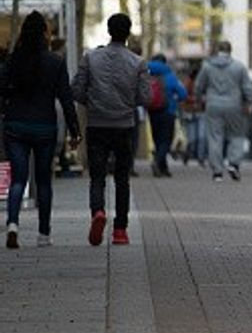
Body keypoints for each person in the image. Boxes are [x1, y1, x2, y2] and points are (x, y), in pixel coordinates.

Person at [1, 12, 81, 248]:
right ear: (45, 34)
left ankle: (13, 224)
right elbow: (66, 98)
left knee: (18, 179)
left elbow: (2, 89)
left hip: (15, 125)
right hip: (44, 127)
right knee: (44, 181)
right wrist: (74, 130)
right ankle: (44, 234)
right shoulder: (55, 62)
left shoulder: (13, 60)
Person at [72, 13, 150, 247]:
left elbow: (76, 90)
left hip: (97, 124)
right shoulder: (138, 63)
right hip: (124, 126)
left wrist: (93, 102)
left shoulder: (91, 58)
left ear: (108, 30)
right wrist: (127, 103)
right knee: (122, 178)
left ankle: (98, 211)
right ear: (128, 33)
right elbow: (145, 97)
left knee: (97, 176)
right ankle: (120, 230)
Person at [194, 40, 252, 182]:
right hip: (235, 105)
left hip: (213, 104)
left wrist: (199, 100)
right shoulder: (239, 67)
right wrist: (249, 102)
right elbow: (247, 87)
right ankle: (233, 163)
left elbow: (198, 86)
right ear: (230, 51)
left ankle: (217, 172)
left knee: (215, 137)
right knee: (237, 135)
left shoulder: (207, 67)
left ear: (217, 50)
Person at [146, 54, 188, 178]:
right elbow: (183, 94)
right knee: (166, 140)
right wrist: (175, 99)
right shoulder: (170, 75)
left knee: (157, 139)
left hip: (152, 110)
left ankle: (163, 168)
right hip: (168, 111)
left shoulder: (147, 73)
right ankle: (157, 162)